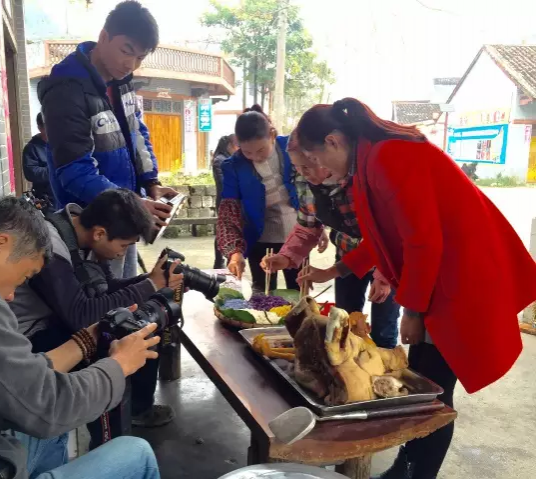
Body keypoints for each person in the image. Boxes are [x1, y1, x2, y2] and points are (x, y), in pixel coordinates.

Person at [293, 98, 536, 479]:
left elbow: (423, 242)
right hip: (440, 278)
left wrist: (413, 311)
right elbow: (383, 236)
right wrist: (337, 269)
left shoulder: (389, 157)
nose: (320, 168)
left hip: (460, 281)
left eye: (317, 157)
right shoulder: (370, 162)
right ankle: (407, 467)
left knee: (434, 396)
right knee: (421, 388)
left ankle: (418, 473)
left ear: (333, 141)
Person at [0, 197, 162, 479]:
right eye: (24, 277)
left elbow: (20, 381)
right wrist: (120, 365)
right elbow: (50, 408)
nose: (11, 296)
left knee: (48, 435)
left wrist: (88, 338)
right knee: (137, 453)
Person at [10, 189, 182, 447]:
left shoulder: (82, 234)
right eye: (124, 246)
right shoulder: (50, 244)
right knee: (109, 344)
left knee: (140, 319)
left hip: (55, 318)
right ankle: (109, 448)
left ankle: (136, 410)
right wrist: (149, 285)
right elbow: (82, 316)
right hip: (28, 338)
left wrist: (152, 282)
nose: (123, 254)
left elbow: (108, 290)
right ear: (100, 233)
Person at [39, 1, 176, 280]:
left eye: (140, 57)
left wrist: (151, 183)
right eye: (127, 51)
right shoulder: (67, 88)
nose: (131, 64)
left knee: (124, 295)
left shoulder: (122, 80)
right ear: (104, 37)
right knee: (100, 306)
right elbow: (74, 171)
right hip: (90, 228)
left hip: (124, 217)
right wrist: (134, 204)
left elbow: (137, 133)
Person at [261, 134, 399, 348]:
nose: (301, 173)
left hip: (388, 259)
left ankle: (384, 378)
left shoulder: (364, 178)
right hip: (346, 254)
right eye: (297, 167)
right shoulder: (305, 182)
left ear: (323, 156)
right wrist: (286, 257)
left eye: (306, 166)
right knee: (342, 325)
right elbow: (307, 226)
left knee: (383, 329)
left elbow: (389, 236)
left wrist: (385, 276)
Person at [216, 105, 303, 293]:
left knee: (299, 291)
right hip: (259, 238)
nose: (255, 157)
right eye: (247, 152)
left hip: (298, 235)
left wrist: (316, 227)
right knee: (263, 294)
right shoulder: (232, 166)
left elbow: (310, 191)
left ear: (272, 134)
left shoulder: (293, 149)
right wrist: (234, 253)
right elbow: (228, 214)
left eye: (261, 150)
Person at [211, 134, 237, 269]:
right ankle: (220, 260)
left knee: (225, 230)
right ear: (229, 146)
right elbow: (223, 183)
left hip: (225, 200)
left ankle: (223, 260)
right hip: (224, 201)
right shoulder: (221, 160)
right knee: (224, 230)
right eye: (236, 146)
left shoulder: (224, 158)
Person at [23, 113, 55, 209]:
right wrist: (57, 171)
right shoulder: (32, 148)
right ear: (40, 128)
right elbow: (31, 173)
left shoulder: (62, 144)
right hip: (47, 200)